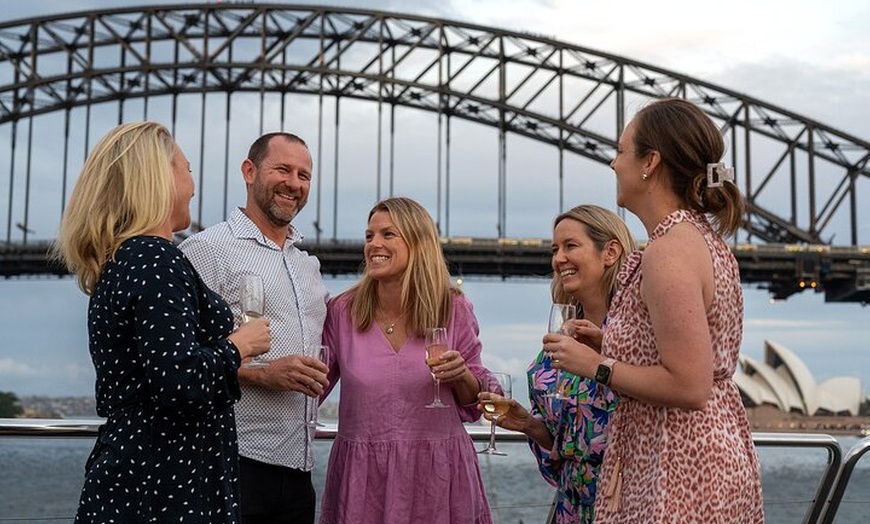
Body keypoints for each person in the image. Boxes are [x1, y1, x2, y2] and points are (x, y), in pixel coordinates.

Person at [545, 98, 764, 522]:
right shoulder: (696, 239)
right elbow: (684, 352)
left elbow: (689, 385)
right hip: (697, 454)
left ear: (650, 162)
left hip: (678, 465)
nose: (613, 164)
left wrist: (597, 365)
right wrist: (608, 340)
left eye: (622, 151)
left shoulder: (669, 252)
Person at [54, 121, 271, 523]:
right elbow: (181, 380)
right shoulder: (156, 259)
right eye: (187, 170)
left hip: (138, 474)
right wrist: (241, 344)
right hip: (166, 485)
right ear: (158, 178)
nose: (193, 185)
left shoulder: (125, 259)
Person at [179, 132, 330, 524]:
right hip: (233, 463)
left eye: (304, 175)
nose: (294, 184)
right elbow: (181, 363)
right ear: (249, 171)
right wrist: (265, 374)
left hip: (300, 471)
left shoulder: (307, 267)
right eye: (282, 169)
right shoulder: (206, 250)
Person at [319, 196, 493, 524]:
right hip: (365, 480)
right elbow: (312, 388)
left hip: (440, 477)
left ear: (418, 243)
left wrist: (460, 375)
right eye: (369, 236)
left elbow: (474, 403)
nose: (374, 244)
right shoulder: (342, 312)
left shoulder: (453, 308)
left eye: (388, 234)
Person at [479, 204, 634, 524]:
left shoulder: (637, 331)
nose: (558, 258)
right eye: (555, 249)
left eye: (570, 246)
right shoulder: (560, 336)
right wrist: (528, 424)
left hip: (628, 502)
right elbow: (565, 446)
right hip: (571, 507)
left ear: (610, 252)